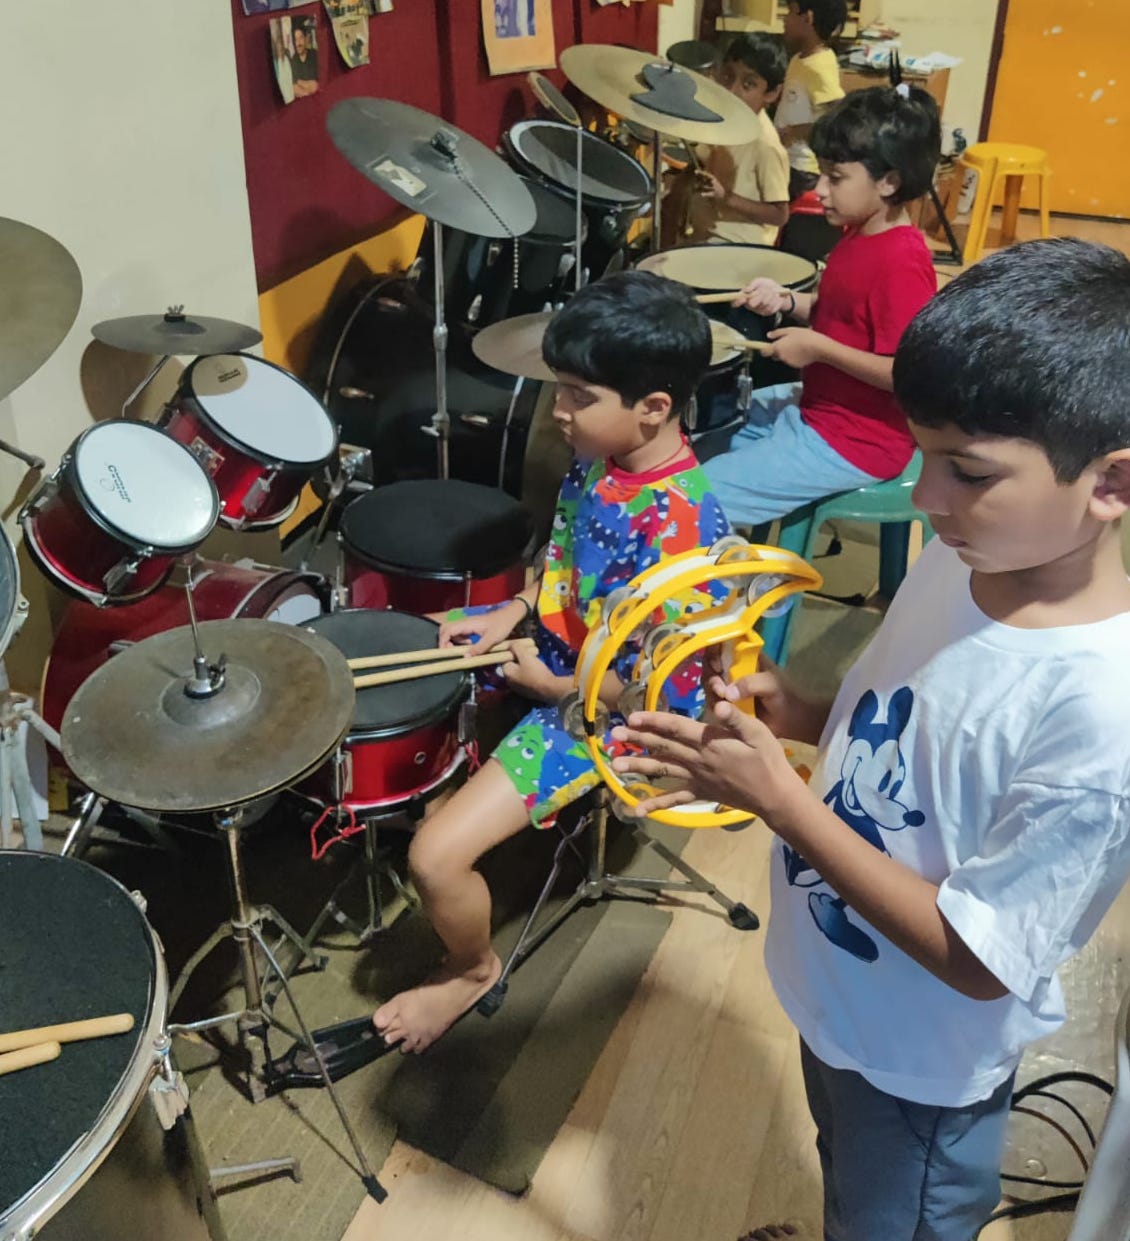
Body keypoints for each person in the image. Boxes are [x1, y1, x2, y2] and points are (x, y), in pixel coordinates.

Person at [610, 237, 1130, 1241]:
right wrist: (805, 715)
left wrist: (781, 801)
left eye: (966, 470)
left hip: (920, 1059)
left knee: (897, 1215)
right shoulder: (964, 556)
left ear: (1111, 483)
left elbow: (980, 957)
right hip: (848, 1001)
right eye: (922, 453)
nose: (923, 495)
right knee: (847, 1175)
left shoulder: (1100, 717)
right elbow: (918, 721)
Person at [371, 271, 731, 1054]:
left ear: (654, 406)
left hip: (605, 710)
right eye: (558, 389)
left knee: (434, 857)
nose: (557, 410)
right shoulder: (600, 458)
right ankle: (435, 781)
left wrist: (555, 685)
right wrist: (511, 610)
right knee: (394, 640)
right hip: (557, 651)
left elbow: (655, 689)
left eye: (577, 395)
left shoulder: (681, 531)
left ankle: (469, 971)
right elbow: (561, 559)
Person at [702, 84, 940, 529]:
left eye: (836, 177)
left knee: (693, 500)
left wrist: (818, 349)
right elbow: (845, 315)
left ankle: (737, 570)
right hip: (819, 408)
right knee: (707, 425)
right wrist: (787, 299)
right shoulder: (859, 232)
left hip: (859, 440)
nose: (820, 189)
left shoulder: (901, 262)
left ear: (889, 182)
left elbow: (909, 374)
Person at [685, 33, 790, 248]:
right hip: (706, 234)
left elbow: (780, 214)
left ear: (772, 93)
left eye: (748, 84)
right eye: (727, 77)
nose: (732, 90)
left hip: (739, 246)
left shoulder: (765, 144)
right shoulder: (725, 123)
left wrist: (727, 197)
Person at [775, 0, 846, 200]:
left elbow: (835, 118)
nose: (784, 19)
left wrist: (795, 131)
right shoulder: (799, 59)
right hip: (788, 160)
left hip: (803, 169)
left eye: (790, 12)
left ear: (808, 18)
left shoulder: (820, 65)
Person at [290, 20, 319, 98]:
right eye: (296, 39)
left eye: (301, 38)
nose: (298, 43)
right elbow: (294, 88)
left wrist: (299, 82)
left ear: (306, 39)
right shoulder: (293, 61)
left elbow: (315, 86)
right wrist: (307, 89)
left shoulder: (314, 55)